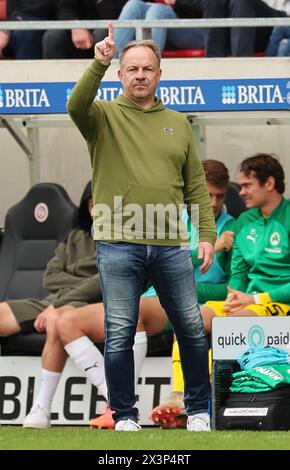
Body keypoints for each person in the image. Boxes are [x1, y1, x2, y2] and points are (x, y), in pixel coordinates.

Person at [67, 23, 216, 432]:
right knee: (118, 333)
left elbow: (197, 188)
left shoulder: (179, 122)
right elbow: (75, 106)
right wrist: (96, 64)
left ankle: (199, 410)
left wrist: (205, 235)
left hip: (171, 244)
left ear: (159, 74)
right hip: (118, 242)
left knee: (189, 326)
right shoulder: (102, 116)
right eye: (131, 69)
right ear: (120, 74)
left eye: (146, 69)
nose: (139, 75)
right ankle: (125, 415)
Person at [150, 159, 236, 428]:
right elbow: (163, 266)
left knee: (189, 317)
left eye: (220, 196)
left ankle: (185, 398)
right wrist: (211, 249)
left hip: (203, 303)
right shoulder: (173, 220)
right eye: (207, 194)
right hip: (164, 297)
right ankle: (115, 403)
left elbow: (232, 287)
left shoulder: (234, 229)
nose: (213, 202)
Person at [201, 153, 290, 334]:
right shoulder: (244, 221)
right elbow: (239, 273)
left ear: (269, 184)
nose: (241, 192)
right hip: (249, 301)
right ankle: (190, 365)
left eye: (247, 186)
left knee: (230, 326)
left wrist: (255, 300)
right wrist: (234, 298)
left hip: (279, 303)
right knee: (192, 321)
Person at [0, 181, 102, 338]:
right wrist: (83, 283)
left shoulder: (120, 241)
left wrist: (59, 303)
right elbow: (50, 277)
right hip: (55, 299)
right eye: (92, 205)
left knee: (58, 320)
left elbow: (104, 282)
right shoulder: (74, 237)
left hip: (89, 302)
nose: (96, 211)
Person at [114, 0, 204, 56]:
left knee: (158, 10)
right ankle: (113, 65)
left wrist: (177, 1)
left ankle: (149, 66)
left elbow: (212, 6)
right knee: (133, 5)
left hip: (198, 30)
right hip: (162, 31)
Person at [42, 0, 127, 59]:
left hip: (112, 28)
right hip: (80, 30)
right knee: (53, 37)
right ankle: (55, 83)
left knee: (101, 35)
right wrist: (76, 25)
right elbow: (66, 7)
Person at [203, 0, 287, 57]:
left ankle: (242, 66)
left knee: (242, 1)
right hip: (239, 21)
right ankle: (213, 64)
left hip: (280, 20)